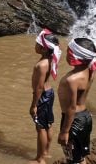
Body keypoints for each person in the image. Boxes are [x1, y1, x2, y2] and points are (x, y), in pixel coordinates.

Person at [58, 38, 96, 164]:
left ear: (73, 56)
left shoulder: (72, 79)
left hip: (73, 120)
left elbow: (71, 108)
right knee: (79, 156)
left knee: (72, 158)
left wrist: (64, 131)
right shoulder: (91, 69)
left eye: (68, 52)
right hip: (86, 117)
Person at [29, 29, 61, 164]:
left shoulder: (41, 65)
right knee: (48, 124)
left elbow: (39, 87)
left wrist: (34, 105)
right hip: (49, 93)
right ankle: (46, 152)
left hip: (42, 95)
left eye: (37, 44)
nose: (34, 46)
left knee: (40, 127)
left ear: (43, 48)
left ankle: (40, 159)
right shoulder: (49, 59)